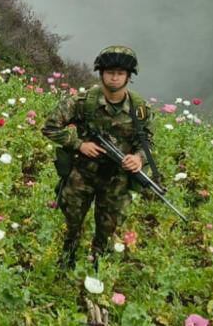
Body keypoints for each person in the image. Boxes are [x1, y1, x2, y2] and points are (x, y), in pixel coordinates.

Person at [42, 45, 156, 269]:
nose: (114, 78)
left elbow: (148, 143)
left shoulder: (139, 109)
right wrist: (79, 144)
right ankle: (68, 260)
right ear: (101, 73)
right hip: (82, 174)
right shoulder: (83, 102)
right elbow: (50, 127)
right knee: (72, 221)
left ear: (128, 77)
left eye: (120, 73)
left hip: (117, 179)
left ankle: (97, 265)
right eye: (110, 72)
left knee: (108, 226)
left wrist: (138, 158)